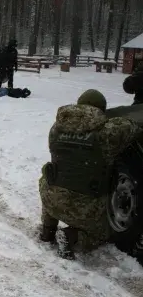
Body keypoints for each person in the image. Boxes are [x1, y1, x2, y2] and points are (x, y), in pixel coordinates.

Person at [38, 89, 141, 259]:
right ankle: (72, 236)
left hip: (52, 199)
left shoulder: (56, 128)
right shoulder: (108, 133)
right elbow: (133, 126)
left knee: (52, 177)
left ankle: (48, 229)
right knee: (102, 235)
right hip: (85, 206)